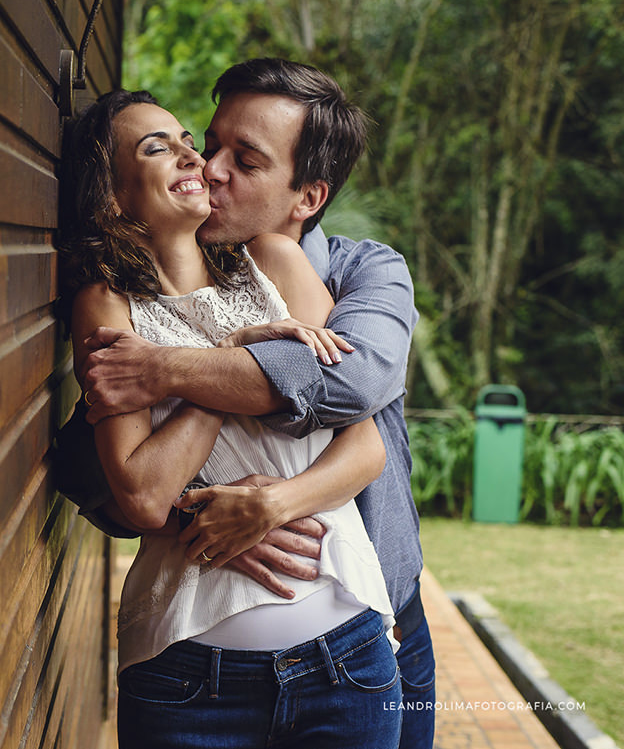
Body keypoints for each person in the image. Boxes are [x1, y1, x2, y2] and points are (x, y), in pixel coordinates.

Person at [78, 58, 435, 749]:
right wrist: (200, 510)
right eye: (206, 143)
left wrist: (268, 501)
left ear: (307, 196)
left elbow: (351, 397)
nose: (207, 167)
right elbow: (114, 480)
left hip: (368, 631)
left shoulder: (354, 271)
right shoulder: (117, 299)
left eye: (243, 159)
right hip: (190, 666)